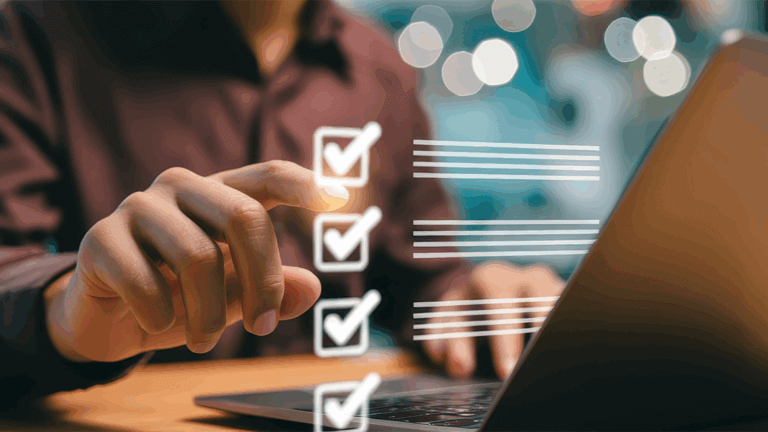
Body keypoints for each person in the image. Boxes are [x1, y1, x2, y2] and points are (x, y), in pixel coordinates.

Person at [0, 0, 565, 408]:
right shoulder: (34, 30)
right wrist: (63, 314)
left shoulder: (381, 68)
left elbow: (419, 278)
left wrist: (476, 304)